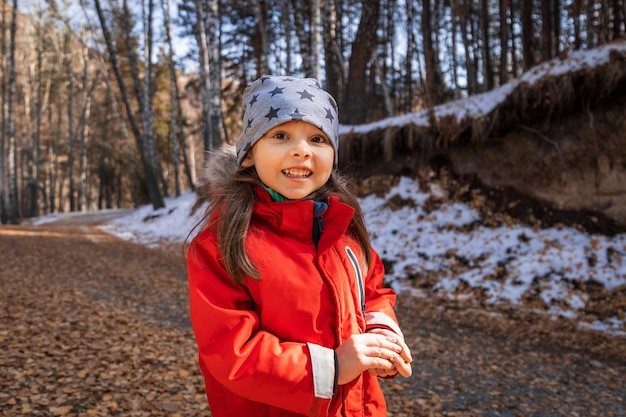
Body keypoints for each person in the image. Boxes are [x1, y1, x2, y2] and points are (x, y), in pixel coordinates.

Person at [187, 75, 413, 417]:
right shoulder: (223, 242)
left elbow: (373, 289)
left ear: (332, 155)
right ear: (248, 154)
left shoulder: (342, 228)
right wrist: (334, 366)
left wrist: (381, 335)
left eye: (318, 138)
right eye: (280, 135)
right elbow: (230, 350)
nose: (302, 150)